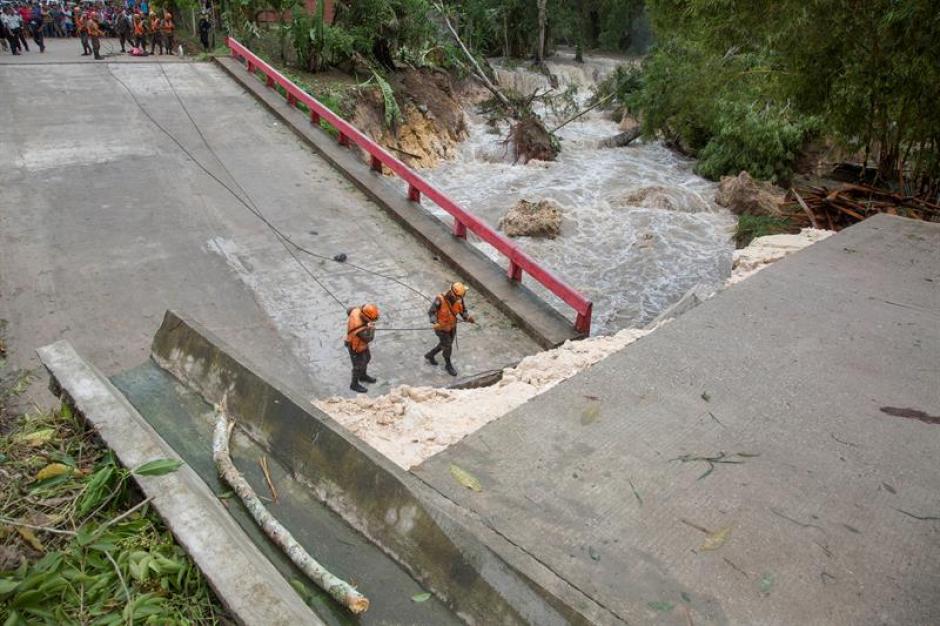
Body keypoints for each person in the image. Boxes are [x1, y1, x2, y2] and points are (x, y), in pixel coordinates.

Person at [424, 282, 476, 376]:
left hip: (452, 326)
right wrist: (434, 322)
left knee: (445, 344)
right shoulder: (440, 299)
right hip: (441, 328)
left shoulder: (459, 299)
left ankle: (430, 355)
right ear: (453, 294)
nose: (462, 298)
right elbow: (431, 312)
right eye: (460, 296)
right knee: (447, 346)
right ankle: (448, 365)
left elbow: (463, 311)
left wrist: (468, 318)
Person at [345, 303, 379, 393]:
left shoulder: (356, 310)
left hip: (362, 345)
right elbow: (368, 338)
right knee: (358, 366)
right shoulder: (358, 328)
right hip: (355, 347)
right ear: (365, 316)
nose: (372, 321)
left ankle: (362, 376)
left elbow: (348, 310)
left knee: (367, 358)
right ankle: (354, 384)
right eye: (370, 319)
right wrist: (372, 329)